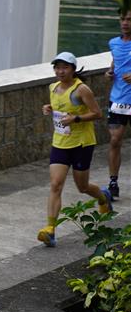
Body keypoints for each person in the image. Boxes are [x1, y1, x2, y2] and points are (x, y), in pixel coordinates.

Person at [39, 53, 113, 247]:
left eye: (64, 68)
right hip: (60, 142)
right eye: (57, 68)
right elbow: (59, 107)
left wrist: (76, 118)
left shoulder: (81, 89)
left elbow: (97, 113)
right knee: (56, 184)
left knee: (83, 187)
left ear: (73, 69)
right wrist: (49, 108)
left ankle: (103, 197)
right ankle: (50, 230)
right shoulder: (53, 87)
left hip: (81, 143)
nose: (60, 71)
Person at [105, 8, 131, 200]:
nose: (125, 23)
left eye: (129, 19)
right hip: (118, 100)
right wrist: (109, 73)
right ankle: (113, 182)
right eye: (122, 19)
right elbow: (115, 63)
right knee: (115, 140)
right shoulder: (113, 43)